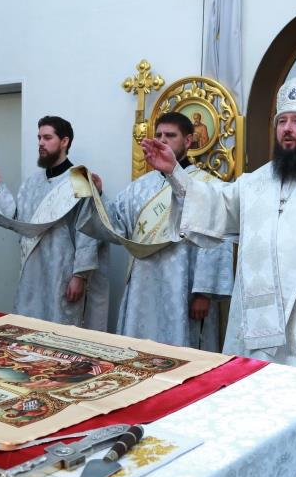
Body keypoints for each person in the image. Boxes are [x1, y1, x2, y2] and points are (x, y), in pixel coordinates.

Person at [142, 76, 296, 373]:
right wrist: (175, 173)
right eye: (282, 121)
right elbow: (216, 205)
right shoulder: (257, 180)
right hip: (254, 324)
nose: (287, 128)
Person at [81, 111, 234, 350]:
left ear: (188, 140)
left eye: (170, 135)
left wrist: (204, 292)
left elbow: (216, 237)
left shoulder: (206, 184)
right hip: (142, 285)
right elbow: (118, 225)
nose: (162, 140)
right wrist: (98, 195)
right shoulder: (140, 186)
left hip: (182, 286)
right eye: (159, 135)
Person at [0, 116, 108, 330]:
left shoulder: (79, 179)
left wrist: (80, 276)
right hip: (32, 270)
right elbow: (17, 220)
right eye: (39, 138)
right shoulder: (31, 182)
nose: (41, 143)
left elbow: (87, 230)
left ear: (64, 141)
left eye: (47, 138)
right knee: (28, 328)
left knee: (59, 329)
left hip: (62, 271)